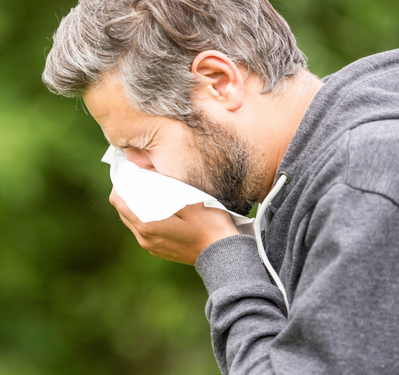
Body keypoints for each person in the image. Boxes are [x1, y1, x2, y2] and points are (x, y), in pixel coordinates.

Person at [42, 0, 399, 373]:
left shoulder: (362, 183)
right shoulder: (343, 149)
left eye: (141, 145)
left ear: (219, 81)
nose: (135, 171)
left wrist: (219, 253)